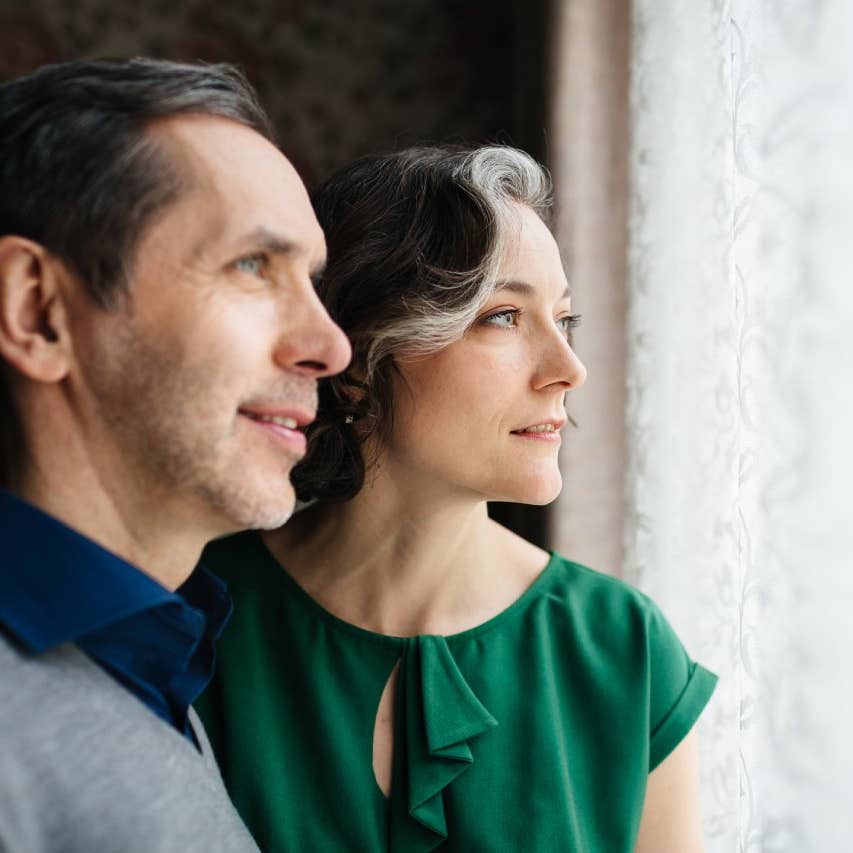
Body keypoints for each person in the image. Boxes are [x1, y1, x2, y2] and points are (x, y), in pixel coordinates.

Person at [196, 145, 718, 852]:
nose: (569, 368)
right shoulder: (195, 619)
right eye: (502, 316)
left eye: (564, 320)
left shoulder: (624, 650)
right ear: (357, 361)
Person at [0, 58, 350, 853]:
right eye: (253, 265)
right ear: (38, 310)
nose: (330, 346)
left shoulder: (156, 663)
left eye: (312, 280)